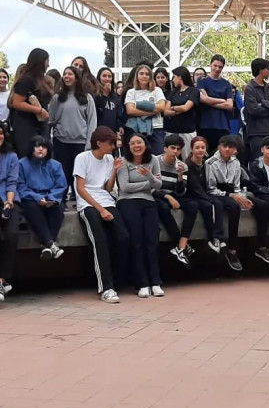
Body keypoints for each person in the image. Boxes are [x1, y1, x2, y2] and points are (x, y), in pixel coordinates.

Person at [73, 126, 129, 303]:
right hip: (88, 204)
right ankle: (106, 287)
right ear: (99, 143)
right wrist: (100, 209)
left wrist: (114, 170)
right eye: (110, 143)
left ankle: (117, 280)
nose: (113, 146)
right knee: (100, 242)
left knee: (124, 237)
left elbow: (107, 187)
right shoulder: (82, 158)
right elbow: (80, 189)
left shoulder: (109, 158)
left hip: (106, 200)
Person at [116, 134, 164, 298]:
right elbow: (125, 187)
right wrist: (148, 183)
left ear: (145, 144)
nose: (136, 146)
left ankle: (155, 282)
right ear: (128, 147)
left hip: (148, 202)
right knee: (137, 243)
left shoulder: (154, 160)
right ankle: (142, 283)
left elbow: (158, 184)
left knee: (151, 242)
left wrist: (149, 177)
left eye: (139, 142)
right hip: (127, 203)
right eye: (132, 143)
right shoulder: (123, 162)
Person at [48, 66, 97, 202]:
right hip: (61, 141)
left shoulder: (87, 98)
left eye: (70, 74)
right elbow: (50, 119)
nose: (66, 76)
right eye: (65, 74)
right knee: (63, 173)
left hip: (80, 143)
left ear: (77, 78)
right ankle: (61, 199)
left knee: (78, 174)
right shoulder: (57, 98)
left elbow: (92, 121)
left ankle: (79, 198)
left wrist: (89, 143)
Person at [153, 134, 199, 266]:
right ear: (165, 148)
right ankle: (178, 242)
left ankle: (181, 247)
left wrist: (180, 176)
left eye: (178, 149)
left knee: (192, 205)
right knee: (162, 207)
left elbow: (181, 192)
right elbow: (149, 187)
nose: (175, 152)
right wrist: (167, 196)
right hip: (158, 195)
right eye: (172, 148)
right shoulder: (154, 162)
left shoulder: (183, 166)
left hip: (176, 195)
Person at [18, 135, 66, 259]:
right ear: (31, 148)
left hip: (50, 196)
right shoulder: (22, 164)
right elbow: (20, 186)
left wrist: (51, 199)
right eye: (37, 146)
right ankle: (51, 243)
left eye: (44, 147)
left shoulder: (55, 165)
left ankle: (47, 245)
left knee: (58, 208)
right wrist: (37, 197)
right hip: (30, 197)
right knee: (31, 207)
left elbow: (61, 186)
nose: (40, 149)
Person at [205, 134, 249, 271]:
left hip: (230, 193)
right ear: (219, 147)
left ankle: (233, 250)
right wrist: (230, 194)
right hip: (214, 193)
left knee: (236, 207)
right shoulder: (210, 163)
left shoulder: (236, 163)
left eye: (231, 147)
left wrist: (241, 196)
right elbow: (210, 188)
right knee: (218, 204)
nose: (227, 150)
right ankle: (217, 239)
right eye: (225, 146)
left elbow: (236, 186)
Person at [184, 135, 226, 255]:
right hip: (192, 195)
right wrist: (209, 198)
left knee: (218, 203)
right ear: (192, 149)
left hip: (205, 193)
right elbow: (195, 188)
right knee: (208, 206)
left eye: (203, 147)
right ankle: (211, 237)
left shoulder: (206, 163)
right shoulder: (187, 165)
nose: (200, 150)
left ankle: (218, 237)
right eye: (197, 147)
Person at [10, 48, 52, 157]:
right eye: (47, 61)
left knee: (43, 157)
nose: (48, 65)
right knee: (29, 156)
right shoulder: (26, 79)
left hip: (40, 124)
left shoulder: (40, 79)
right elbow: (17, 102)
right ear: (40, 61)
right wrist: (39, 110)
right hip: (26, 125)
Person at [123, 62, 167, 155]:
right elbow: (130, 110)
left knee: (158, 155)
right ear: (137, 76)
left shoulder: (157, 90)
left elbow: (162, 107)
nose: (144, 76)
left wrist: (140, 105)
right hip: (138, 130)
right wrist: (152, 110)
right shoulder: (131, 92)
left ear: (151, 76)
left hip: (156, 127)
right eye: (141, 73)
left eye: (147, 74)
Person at [244, 58, 269, 164]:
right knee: (258, 162)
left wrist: (263, 103)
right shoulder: (249, 88)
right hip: (256, 133)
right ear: (260, 70)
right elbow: (253, 110)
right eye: (268, 69)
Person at [197, 54, 234, 149]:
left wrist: (210, 100)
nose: (217, 69)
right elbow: (202, 99)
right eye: (215, 66)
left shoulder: (226, 84)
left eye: (220, 67)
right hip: (206, 124)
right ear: (210, 65)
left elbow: (229, 105)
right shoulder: (202, 80)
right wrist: (221, 100)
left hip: (222, 125)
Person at [163, 65, 200, 159]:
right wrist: (177, 111)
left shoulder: (193, 91)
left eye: (174, 77)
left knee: (187, 158)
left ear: (180, 77)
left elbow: (186, 107)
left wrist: (173, 108)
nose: (173, 80)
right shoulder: (173, 92)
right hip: (172, 131)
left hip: (187, 132)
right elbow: (166, 111)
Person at [0, 123, 19, 300]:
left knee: (11, 234)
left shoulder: (11, 156)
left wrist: (9, 201)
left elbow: (12, 182)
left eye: (0, 133)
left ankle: (3, 279)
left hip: (8, 200)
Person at [95, 67, 124, 137]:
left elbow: (118, 114)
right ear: (99, 77)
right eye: (104, 76)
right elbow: (97, 111)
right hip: (98, 132)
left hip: (112, 132)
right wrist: (104, 94)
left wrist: (120, 126)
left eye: (109, 76)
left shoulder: (114, 97)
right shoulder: (94, 94)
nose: (107, 79)